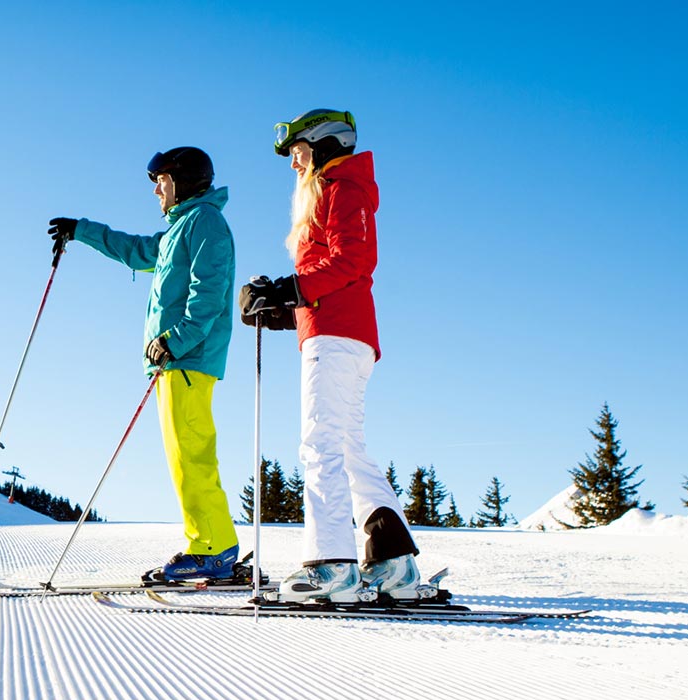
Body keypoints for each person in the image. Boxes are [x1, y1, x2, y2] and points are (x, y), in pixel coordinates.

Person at [240, 109, 423, 603]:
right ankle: (394, 565)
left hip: (338, 338)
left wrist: (291, 286)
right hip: (340, 332)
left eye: (298, 152)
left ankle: (332, 568)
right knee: (346, 448)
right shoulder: (336, 191)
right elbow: (332, 280)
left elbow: (352, 260)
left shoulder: (343, 189)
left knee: (319, 446)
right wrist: (282, 307)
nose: (294, 163)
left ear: (322, 145)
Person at [48, 147, 241, 582]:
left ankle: (212, 548)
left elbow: (209, 292)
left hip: (187, 359)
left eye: (162, 179)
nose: (156, 188)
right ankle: (216, 543)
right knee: (185, 456)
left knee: (191, 455)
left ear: (185, 181)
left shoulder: (205, 223)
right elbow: (135, 250)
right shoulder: (179, 229)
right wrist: (81, 230)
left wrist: (176, 339)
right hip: (174, 362)